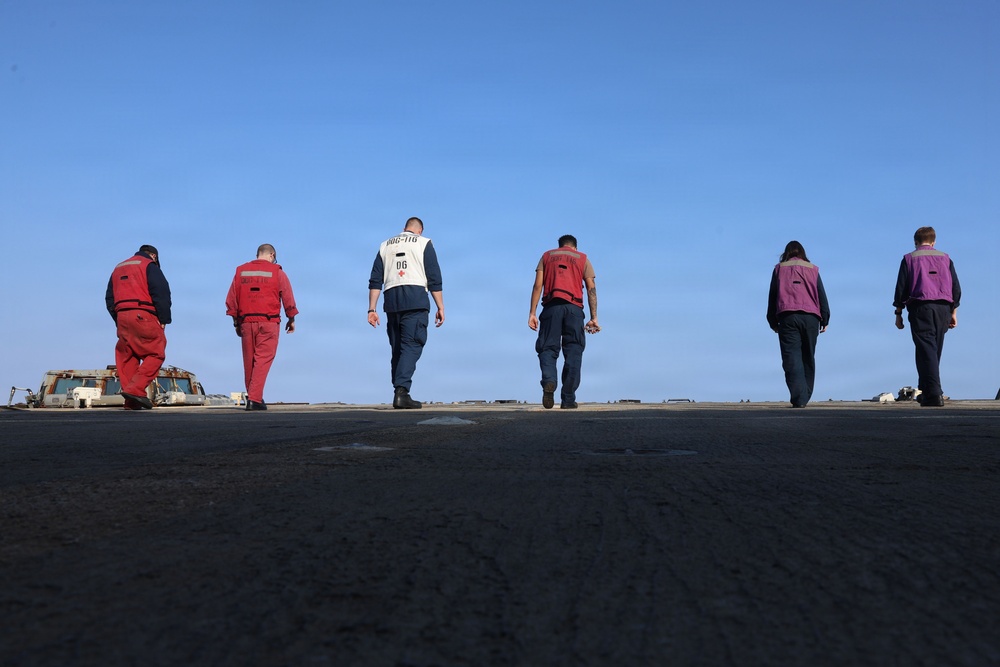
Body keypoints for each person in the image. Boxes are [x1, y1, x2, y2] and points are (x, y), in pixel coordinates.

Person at [368, 217, 444, 409]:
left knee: (397, 348)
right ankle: (401, 392)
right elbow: (434, 278)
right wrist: (440, 306)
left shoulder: (385, 245)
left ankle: (398, 390)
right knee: (412, 345)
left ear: (404, 229)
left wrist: (372, 309)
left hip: (391, 301)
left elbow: (375, 280)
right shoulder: (424, 243)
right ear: (420, 230)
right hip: (415, 299)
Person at [528, 234, 600, 409]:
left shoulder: (547, 256)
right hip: (574, 310)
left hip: (551, 308)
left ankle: (549, 381)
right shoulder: (583, 258)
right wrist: (594, 317)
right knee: (574, 350)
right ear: (575, 247)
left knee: (547, 348)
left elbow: (538, 285)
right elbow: (591, 287)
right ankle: (568, 399)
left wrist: (532, 313)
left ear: (559, 246)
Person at [225, 244, 299, 411]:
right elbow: (287, 296)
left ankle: (253, 395)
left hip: (246, 321)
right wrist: (291, 318)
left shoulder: (241, 271)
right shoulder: (277, 272)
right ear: (272, 255)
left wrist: (236, 323)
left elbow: (231, 299)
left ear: (258, 254)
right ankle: (254, 398)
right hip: (268, 322)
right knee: (263, 360)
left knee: (249, 361)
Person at [893, 227, 961, 407]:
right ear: (934, 242)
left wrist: (898, 313)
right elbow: (955, 287)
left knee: (926, 349)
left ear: (915, 242)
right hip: (943, 308)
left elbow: (901, 288)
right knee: (932, 350)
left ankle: (935, 393)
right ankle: (926, 390)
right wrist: (953, 312)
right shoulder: (945, 258)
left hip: (921, 307)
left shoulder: (909, 258)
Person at [105, 244, 172, 410]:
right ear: (154, 256)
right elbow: (162, 293)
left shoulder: (118, 268)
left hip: (122, 316)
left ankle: (132, 402)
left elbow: (109, 298)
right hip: (144, 314)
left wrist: (118, 318)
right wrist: (164, 319)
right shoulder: (149, 265)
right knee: (156, 352)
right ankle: (135, 389)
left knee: (127, 357)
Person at [766, 241, 830, 408]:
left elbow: (773, 296)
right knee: (808, 356)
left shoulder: (779, 269)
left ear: (786, 253)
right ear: (803, 253)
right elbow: (821, 294)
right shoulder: (813, 269)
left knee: (791, 358)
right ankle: (804, 395)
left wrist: (772, 321)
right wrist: (825, 318)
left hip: (788, 316)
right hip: (811, 318)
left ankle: (799, 397)